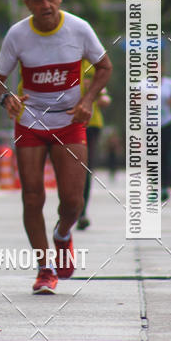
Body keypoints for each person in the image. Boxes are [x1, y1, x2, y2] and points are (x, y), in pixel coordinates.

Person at [0, 0, 112, 294]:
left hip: (69, 122)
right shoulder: (18, 35)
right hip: (30, 122)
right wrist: (6, 98)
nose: (46, 4)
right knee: (32, 195)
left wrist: (87, 100)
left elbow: (105, 67)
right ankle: (45, 269)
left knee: (72, 201)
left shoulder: (79, 29)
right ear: (27, 3)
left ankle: (63, 234)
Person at [77, 59, 111, 230]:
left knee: (86, 169)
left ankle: (82, 213)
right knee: (69, 169)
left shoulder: (93, 63)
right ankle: (69, 210)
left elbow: (104, 96)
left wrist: (99, 95)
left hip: (91, 124)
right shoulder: (65, 59)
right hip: (68, 122)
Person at [160, 74, 171, 201]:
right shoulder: (142, 84)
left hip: (167, 123)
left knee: (165, 155)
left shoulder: (170, 83)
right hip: (150, 124)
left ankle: (164, 186)